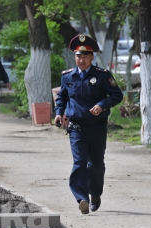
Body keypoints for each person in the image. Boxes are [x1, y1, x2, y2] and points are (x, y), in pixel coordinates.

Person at [54, 35, 123, 214]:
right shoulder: (68, 76)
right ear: (75, 57)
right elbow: (62, 97)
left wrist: (101, 105)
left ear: (92, 57)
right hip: (76, 126)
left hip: (97, 126)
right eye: (78, 56)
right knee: (79, 162)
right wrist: (58, 113)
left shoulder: (102, 76)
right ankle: (82, 198)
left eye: (85, 56)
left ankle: (95, 193)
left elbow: (117, 95)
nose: (81, 59)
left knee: (96, 164)